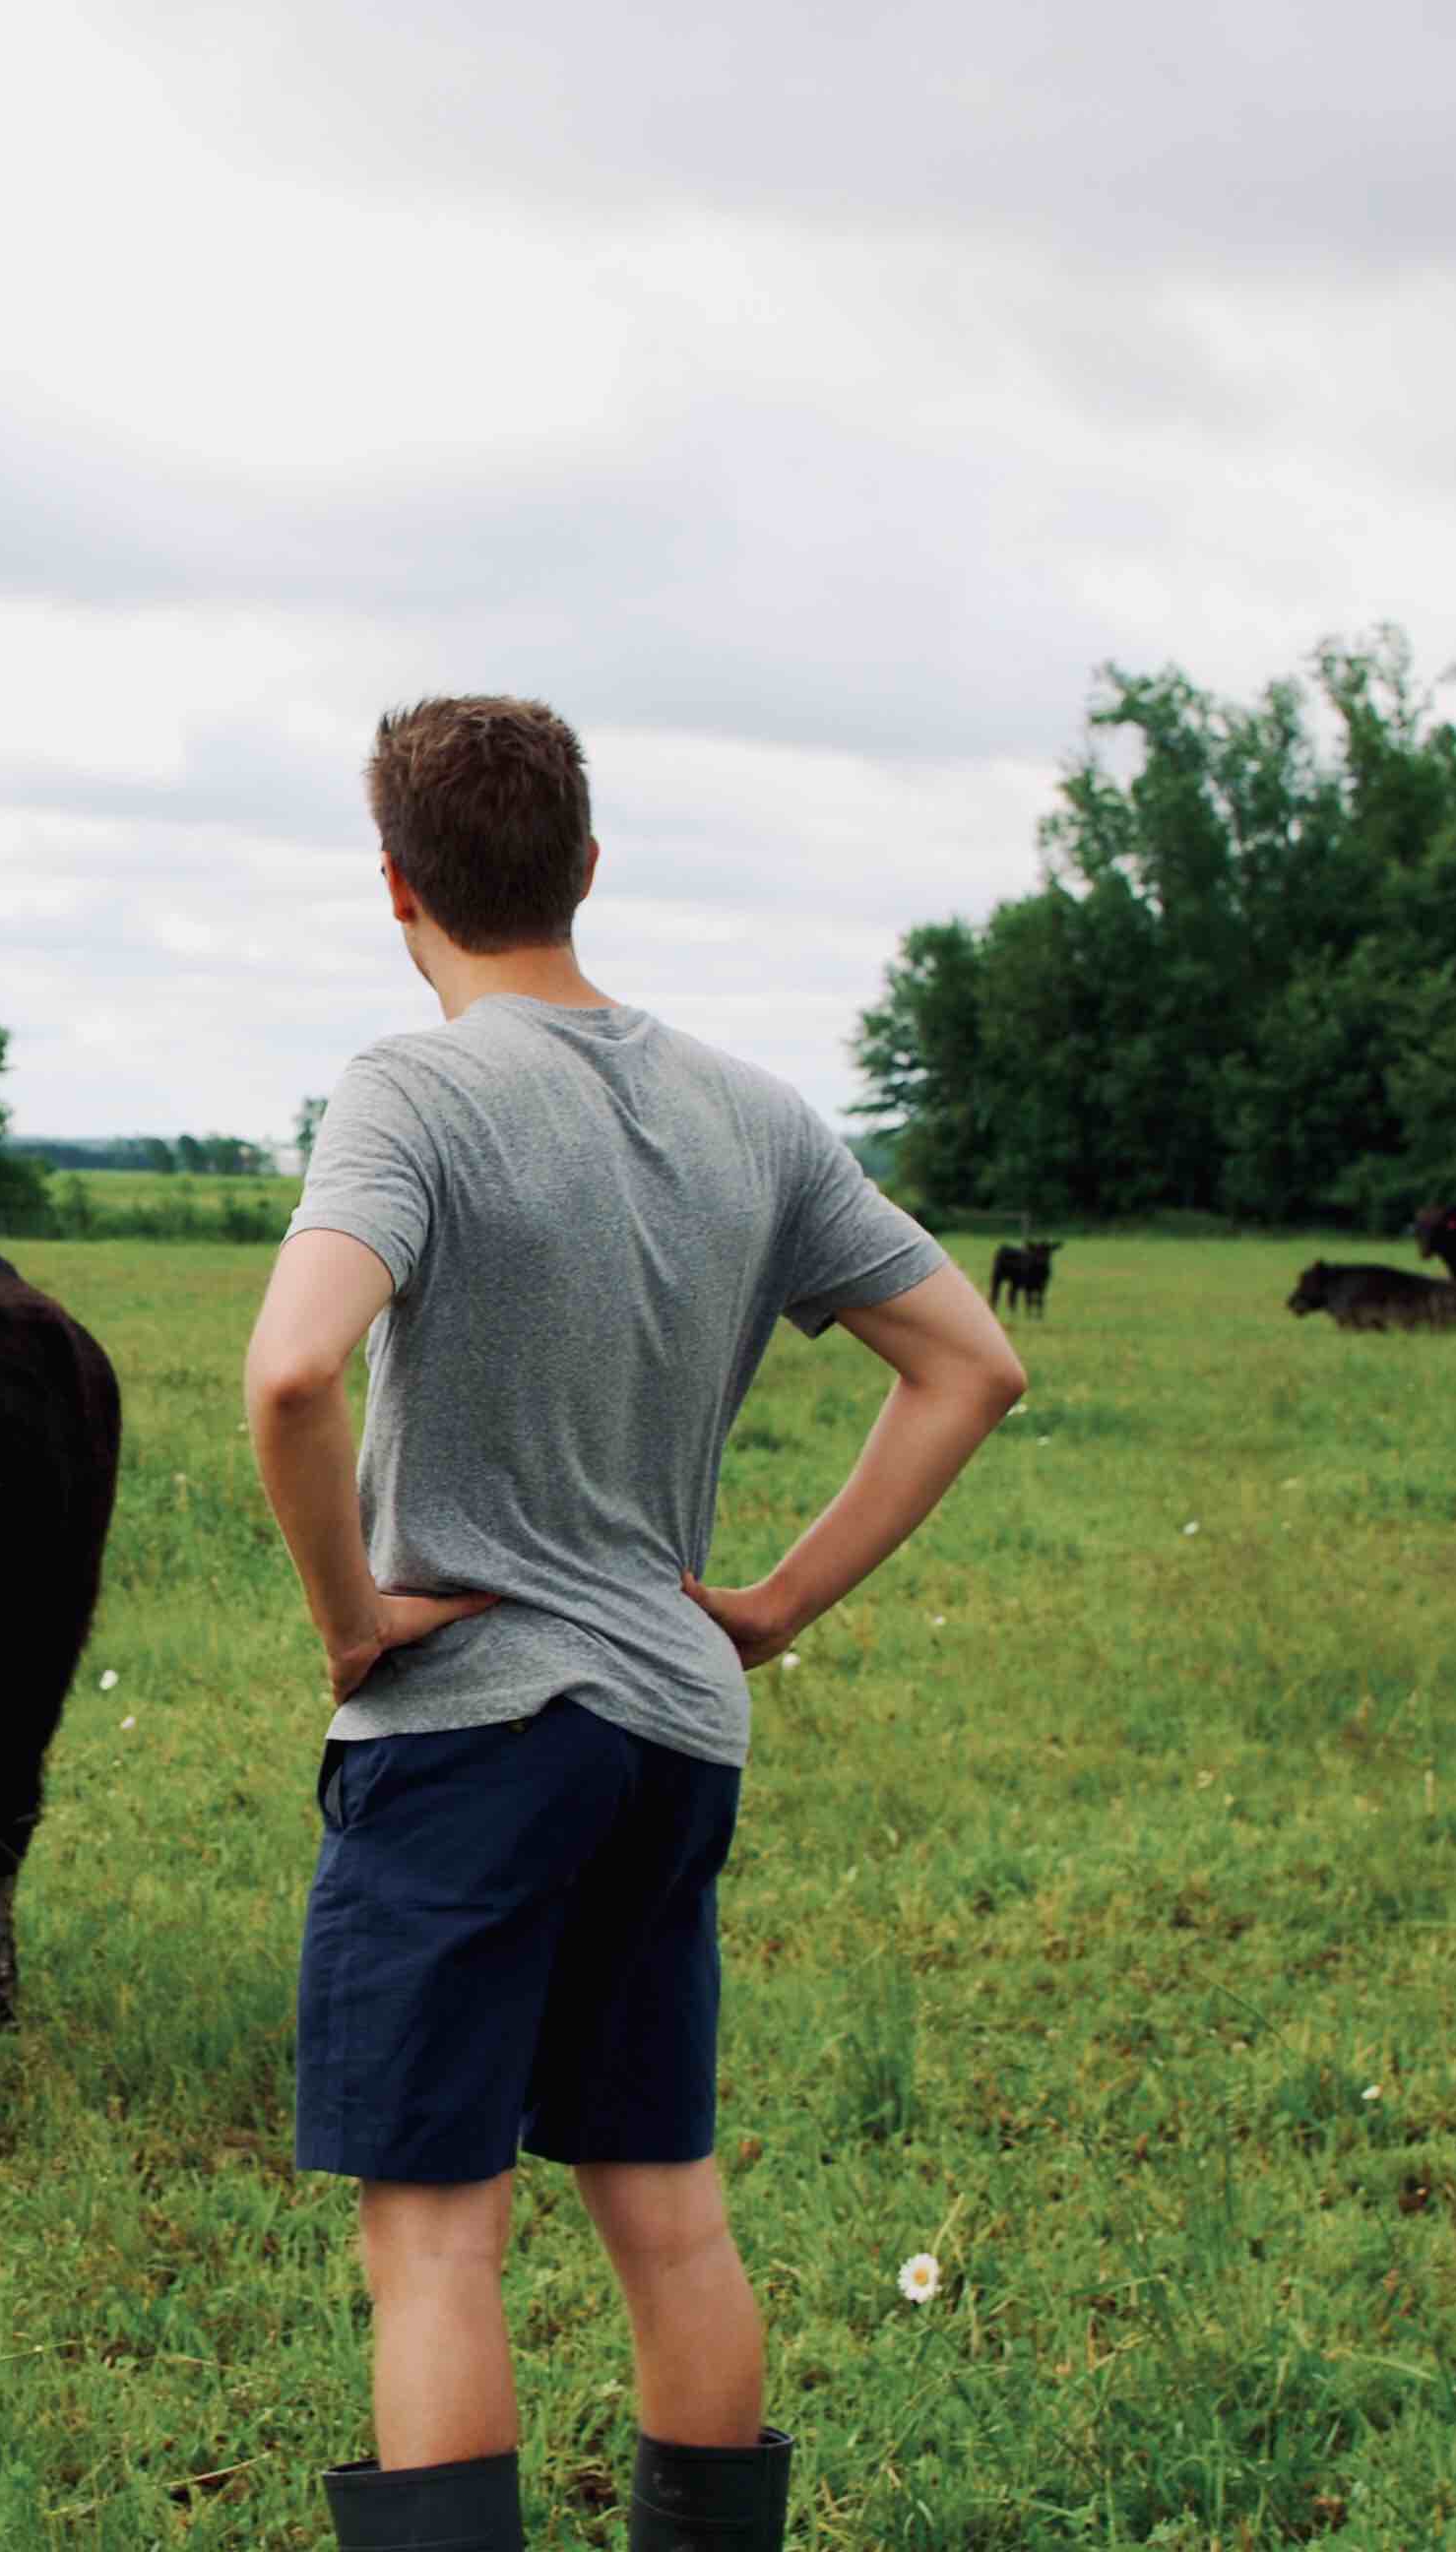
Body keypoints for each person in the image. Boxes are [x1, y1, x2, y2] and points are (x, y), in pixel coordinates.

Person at [243, 700, 1027, 2552]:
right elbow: (971, 1366)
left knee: (438, 2238)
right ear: (587, 866)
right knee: (668, 2210)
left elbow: (290, 1377)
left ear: (395, 885)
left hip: (467, 1736)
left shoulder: (414, 1092)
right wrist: (764, 1606)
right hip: (677, 1733)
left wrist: (354, 1627)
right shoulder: (754, 1113)